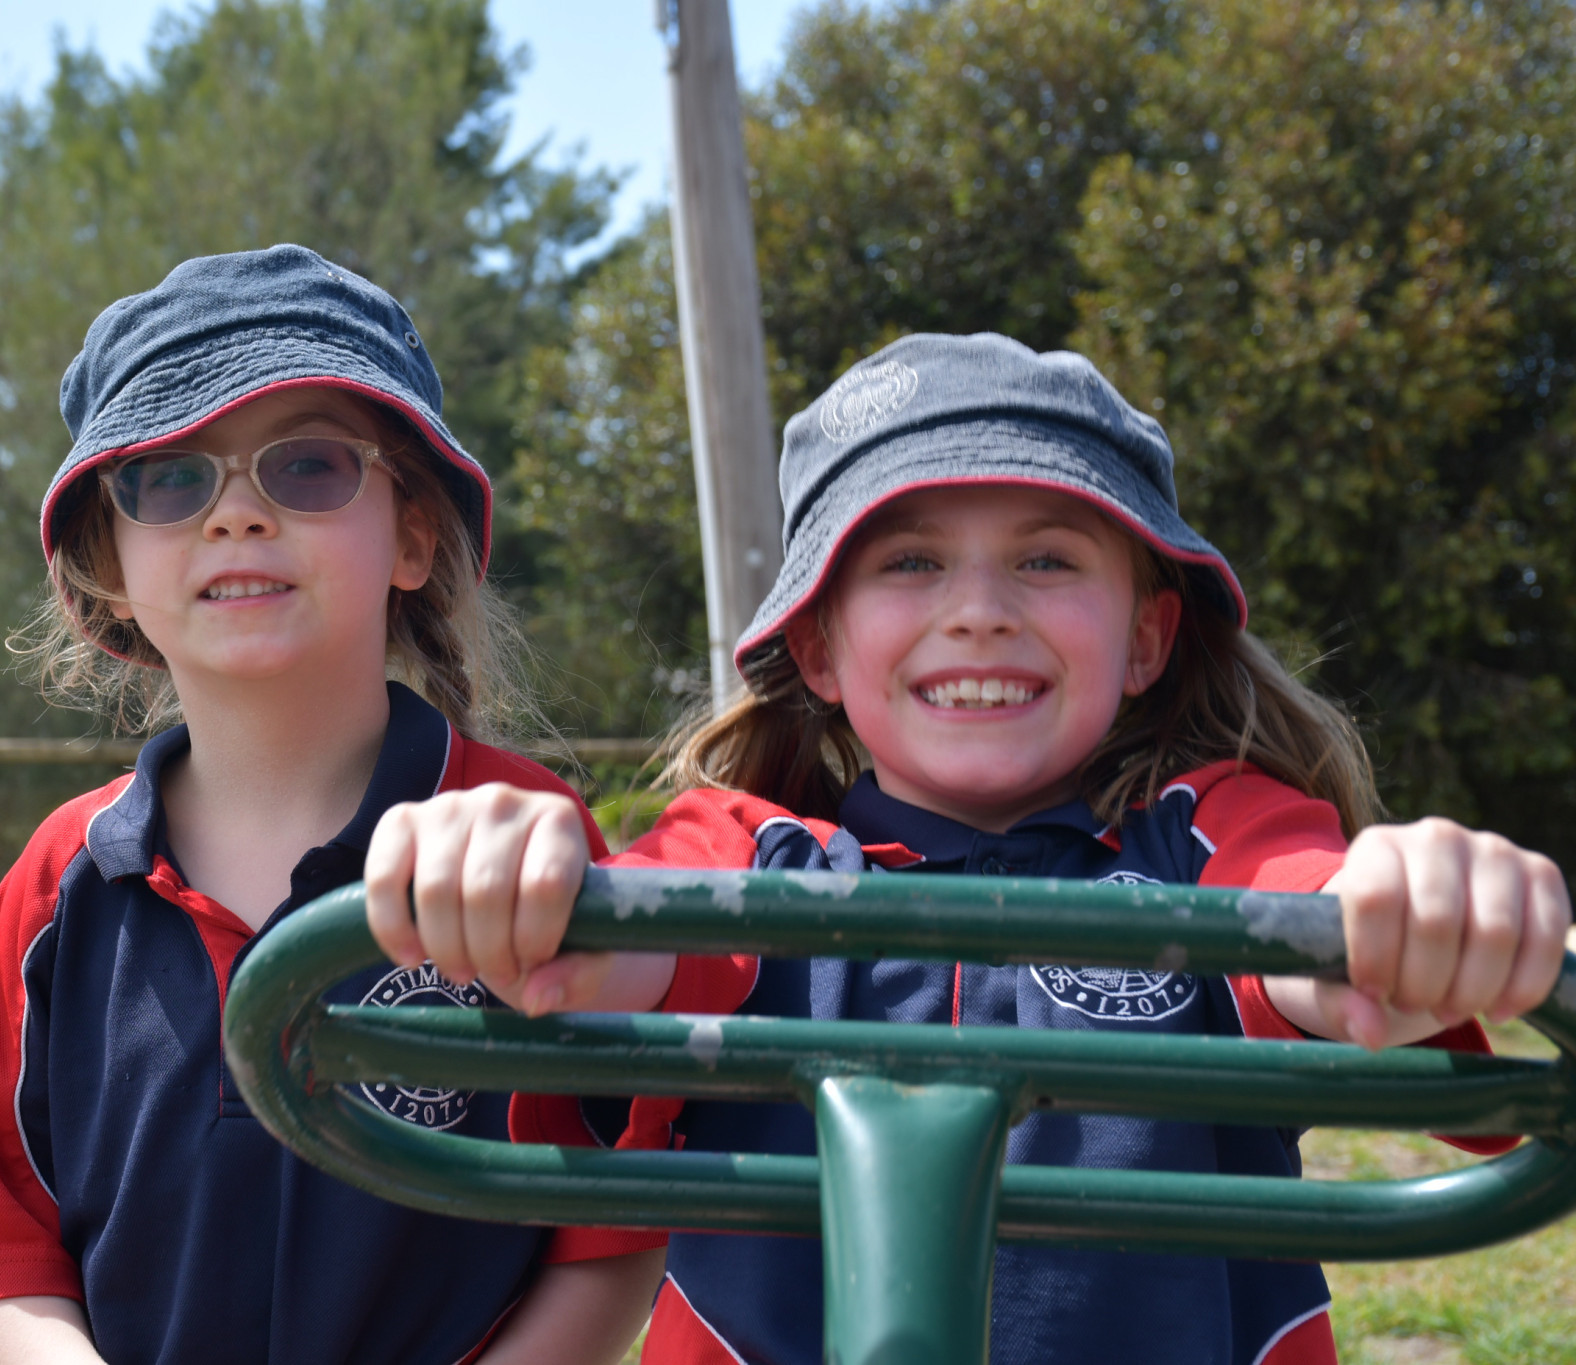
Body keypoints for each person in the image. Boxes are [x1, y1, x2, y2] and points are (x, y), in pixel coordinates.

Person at [363, 333, 1573, 1365]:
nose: (979, 607)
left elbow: (1318, 942)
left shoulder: (1205, 841)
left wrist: (1406, 907)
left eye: (1046, 558)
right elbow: (605, 956)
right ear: (821, 651)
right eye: (910, 562)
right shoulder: (746, 858)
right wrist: (529, 881)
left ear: (1146, 639)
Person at [0, 246, 665, 1365]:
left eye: (306, 466)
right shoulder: (57, 882)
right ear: (107, 564)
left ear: (412, 536)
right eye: (168, 477)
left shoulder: (520, 836)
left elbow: (608, 1228)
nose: (236, 516)